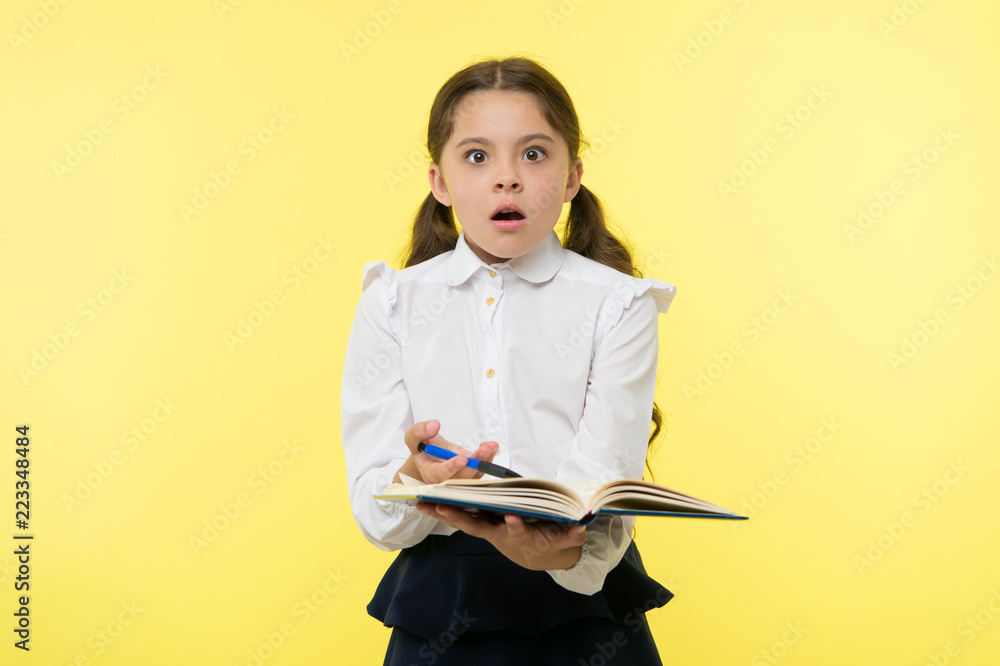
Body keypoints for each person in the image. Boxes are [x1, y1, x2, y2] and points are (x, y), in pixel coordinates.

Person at [341, 55, 677, 665]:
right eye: (477, 156)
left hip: (583, 605)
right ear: (439, 182)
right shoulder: (390, 303)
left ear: (572, 178)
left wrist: (557, 554)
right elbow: (374, 510)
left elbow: (602, 483)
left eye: (533, 153)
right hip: (440, 609)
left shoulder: (620, 304)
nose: (507, 179)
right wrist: (417, 479)